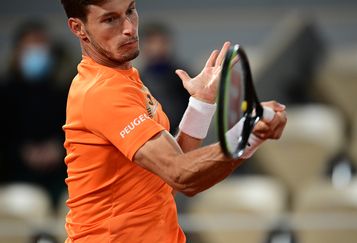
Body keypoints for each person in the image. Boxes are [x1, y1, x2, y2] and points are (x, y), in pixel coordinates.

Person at [59, 0, 287, 242]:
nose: (128, 27)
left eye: (130, 11)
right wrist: (248, 134)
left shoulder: (125, 78)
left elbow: (169, 172)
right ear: (78, 28)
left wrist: (201, 103)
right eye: (110, 19)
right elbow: (181, 175)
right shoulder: (103, 92)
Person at [0, 20, 67, 208]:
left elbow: (75, 130)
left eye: (41, 46)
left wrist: (57, 148)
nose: (37, 52)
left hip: (59, 176)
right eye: (31, 46)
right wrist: (22, 151)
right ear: (18, 51)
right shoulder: (5, 92)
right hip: (16, 176)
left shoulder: (63, 91)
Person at [139, 22, 190, 135]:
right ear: (144, 46)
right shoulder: (137, 80)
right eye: (152, 43)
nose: (157, 47)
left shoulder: (184, 76)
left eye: (162, 42)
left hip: (182, 136)